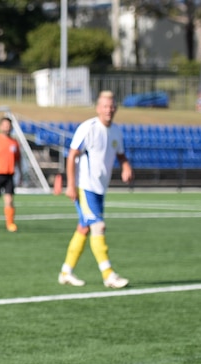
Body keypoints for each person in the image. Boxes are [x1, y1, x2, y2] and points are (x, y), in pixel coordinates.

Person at [58, 90, 133, 289]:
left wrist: (126, 166)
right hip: (86, 186)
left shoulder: (116, 131)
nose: (109, 110)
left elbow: (120, 154)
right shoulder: (88, 128)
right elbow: (72, 155)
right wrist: (71, 185)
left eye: (112, 106)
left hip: (100, 188)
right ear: (98, 108)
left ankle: (66, 272)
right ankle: (108, 274)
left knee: (83, 228)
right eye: (105, 106)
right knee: (98, 227)